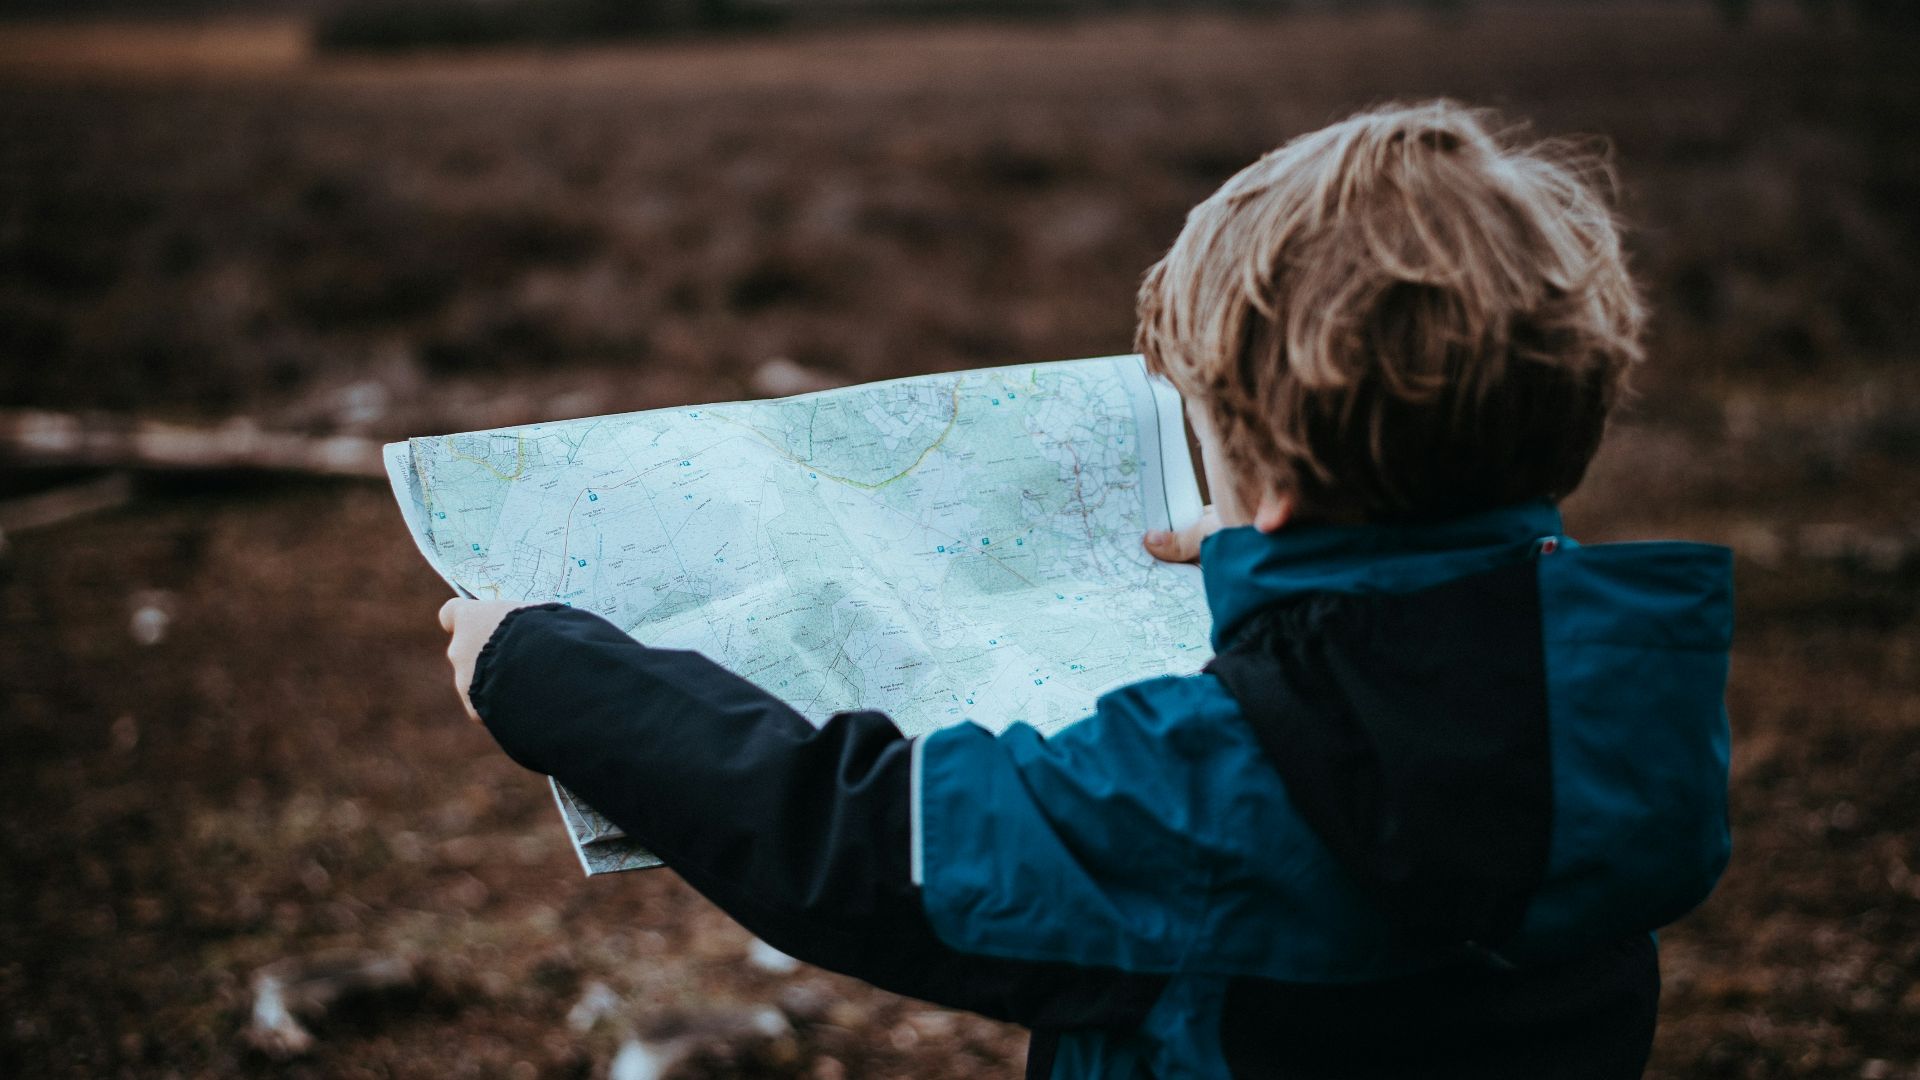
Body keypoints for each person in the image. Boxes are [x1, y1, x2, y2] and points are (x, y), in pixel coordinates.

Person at [437, 100, 1732, 1078]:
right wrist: (1272, 570)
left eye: (1210, 435)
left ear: (1275, 482)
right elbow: (1429, 650)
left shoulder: (1214, 787)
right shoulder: (1624, 704)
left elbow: (865, 848)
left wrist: (544, 671)